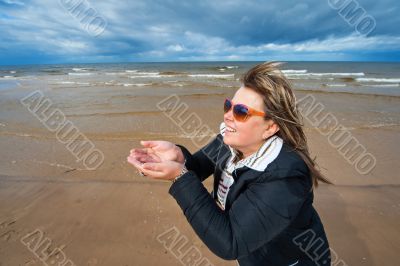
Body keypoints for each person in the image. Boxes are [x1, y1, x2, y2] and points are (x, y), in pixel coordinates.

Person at [127, 62, 331, 266]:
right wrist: (177, 157)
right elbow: (196, 168)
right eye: (228, 105)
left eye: (241, 112)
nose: (227, 115)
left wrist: (179, 176)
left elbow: (230, 241)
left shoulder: (284, 175)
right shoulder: (230, 142)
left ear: (270, 128)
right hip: (252, 253)